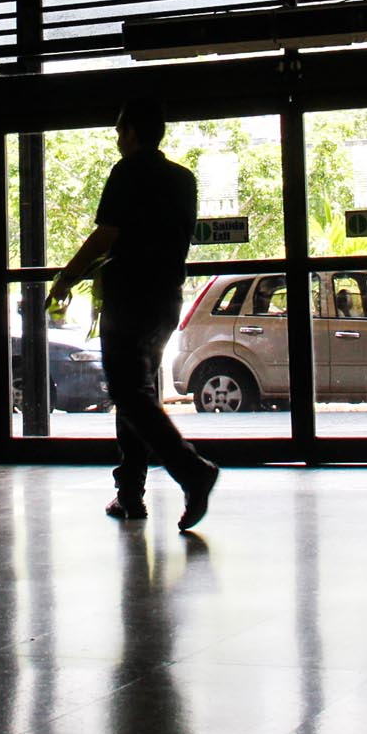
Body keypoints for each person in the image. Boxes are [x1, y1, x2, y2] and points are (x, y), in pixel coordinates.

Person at [50, 98, 218, 531]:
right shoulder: (184, 180)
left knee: (129, 393)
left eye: (120, 132)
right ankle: (130, 493)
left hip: (129, 299)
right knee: (137, 392)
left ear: (131, 133)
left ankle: (191, 470)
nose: (117, 140)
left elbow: (107, 234)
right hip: (165, 301)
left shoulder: (126, 173)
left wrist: (67, 278)